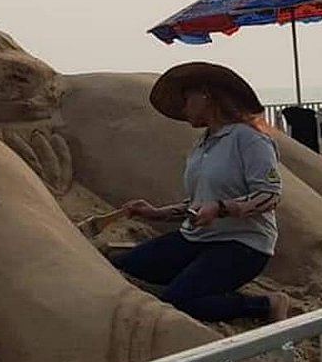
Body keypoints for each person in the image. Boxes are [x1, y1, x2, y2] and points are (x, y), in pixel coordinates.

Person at [103, 62, 290, 324]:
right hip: (197, 238)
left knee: (180, 301)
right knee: (126, 265)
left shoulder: (249, 139)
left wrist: (221, 209)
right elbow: (198, 202)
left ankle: (266, 304)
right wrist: (156, 213)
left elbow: (269, 195)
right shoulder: (202, 145)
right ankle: (201, 284)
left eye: (187, 98)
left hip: (242, 243)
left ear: (206, 96)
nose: (183, 106)